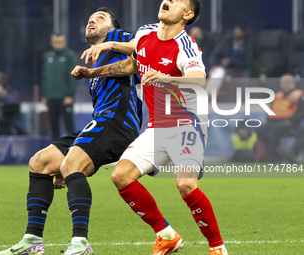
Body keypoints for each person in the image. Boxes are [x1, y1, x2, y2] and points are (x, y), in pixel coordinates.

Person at [73, 1, 228, 254]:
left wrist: (164, 77)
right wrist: (94, 70)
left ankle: (217, 248)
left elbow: (199, 81)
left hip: (187, 123)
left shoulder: (185, 46)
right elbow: (133, 62)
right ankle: (167, 236)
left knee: (185, 184)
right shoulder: (146, 32)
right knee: (121, 176)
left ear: (187, 15)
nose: (168, 0)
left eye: (178, 0)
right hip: (157, 127)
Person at [0, 7, 142, 255]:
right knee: (40, 162)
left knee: (71, 165)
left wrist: (94, 70)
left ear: (113, 26)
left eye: (100, 17)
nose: (92, 20)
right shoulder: (95, 56)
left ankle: (81, 244)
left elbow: (137, 64)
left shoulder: (120, 37)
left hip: (118, 122)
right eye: (90, 18)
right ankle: (32, 242)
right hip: (100, 121)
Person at [257, 74, 304, 161]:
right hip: (273, 121)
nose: (286, 84)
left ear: (294, 83)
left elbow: (302, 112)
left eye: (289, 82)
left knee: (277, 128)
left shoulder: (299, 95)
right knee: (260, 129)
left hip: (290, 123)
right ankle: (265, 155)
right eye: (284, 82)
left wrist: (293, 117)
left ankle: (274, 156)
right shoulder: (277, 95)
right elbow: (270, 110)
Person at [41, 32, 78, 141]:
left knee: (69, 126)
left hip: (64, 98)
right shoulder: (49, 57)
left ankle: (73, 149)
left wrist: (70, 94)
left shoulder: (70, 56)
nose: (58, 44)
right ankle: (55, 152)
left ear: (64, 42)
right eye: (56, 42)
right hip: (51, 97)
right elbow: (44, 77)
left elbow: (74, 76)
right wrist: (45, 95)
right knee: (53, 127)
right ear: (52, 42)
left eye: (60, 42)